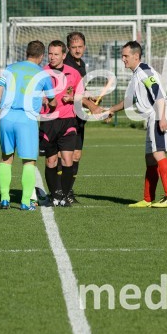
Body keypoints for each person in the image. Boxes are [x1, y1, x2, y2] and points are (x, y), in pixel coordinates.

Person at [104, 41, 167, 208]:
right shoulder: (136, 74)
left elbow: (158, 94)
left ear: (136, 56)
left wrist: (161, 118)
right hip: (153, 116)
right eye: (122, 56)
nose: (123, 59)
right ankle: (147, 199)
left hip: (159, 114)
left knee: (158, 154)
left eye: (125, 56)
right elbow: (129, 101)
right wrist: (111, 110)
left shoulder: (145, 71)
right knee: (149, 159)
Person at [0, 40, 55, 210]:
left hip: (7, 116)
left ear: (26, 53)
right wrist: (50, 102)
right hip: (26, 119)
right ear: (42, 56)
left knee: (6, 159)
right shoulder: (43, 74)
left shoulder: (10, 68)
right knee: (29, 162)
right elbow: (53, 101)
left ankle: (5, 199)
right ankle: (25, 201)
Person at [39, 40, 84, 207]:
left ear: (64, 55)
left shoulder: (74, 73)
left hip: (68, 121)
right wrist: (41, 99)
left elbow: (80, 94)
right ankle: (54, 195)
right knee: (51, 161)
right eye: (50, 53)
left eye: (56, 54)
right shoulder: (42, 73)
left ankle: (64, 196)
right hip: (48, 122)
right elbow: (32, 94)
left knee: (67, 160)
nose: (52, 57)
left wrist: (72, 98)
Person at [61, 31, 98, 204]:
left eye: (80, 47)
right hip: (66, 116)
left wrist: (89, 96)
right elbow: (69, 93)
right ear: (68, 48)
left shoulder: (81, 64)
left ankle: (68, 191)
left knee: (76, 156)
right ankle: (60, 191)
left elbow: (79, 89)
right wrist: (89, 103)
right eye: (74, 47)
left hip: (79, 117)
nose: (77, 50)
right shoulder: (66, 65)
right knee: (65, 157)